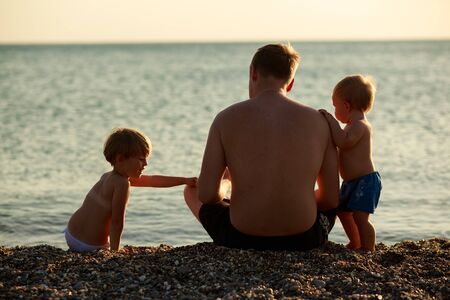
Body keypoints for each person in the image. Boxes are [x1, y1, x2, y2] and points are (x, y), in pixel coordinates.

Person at [184, 44, 339, 251]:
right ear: (291, 83)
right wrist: (295, 197)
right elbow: (330, 199)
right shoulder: (319, 121)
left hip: (240, 237)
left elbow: (207, 194)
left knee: (191, 190)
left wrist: (227, 183)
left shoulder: (225, 118)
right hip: (305, 238)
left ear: (253, 73)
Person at [65, 128, 197, 252]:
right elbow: (117, 223)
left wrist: (184, 180)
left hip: (71, 234)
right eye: (141, 159)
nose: (146, 164)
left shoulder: (107, 176)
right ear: (120, 159)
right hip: (91, 245)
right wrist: (114, 252)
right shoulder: (122, 184)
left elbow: (152, 180)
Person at [319, 75, 382, 251]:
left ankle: (368, 249)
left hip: (365, 181)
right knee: (343, 212)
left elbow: (344, 142)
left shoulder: (360, 125)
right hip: (351, 182)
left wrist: (330, 121)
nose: (335, 111)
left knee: (361, 218)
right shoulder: (351, 125)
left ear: (346, 106)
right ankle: (355, 242)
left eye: (335, 106)